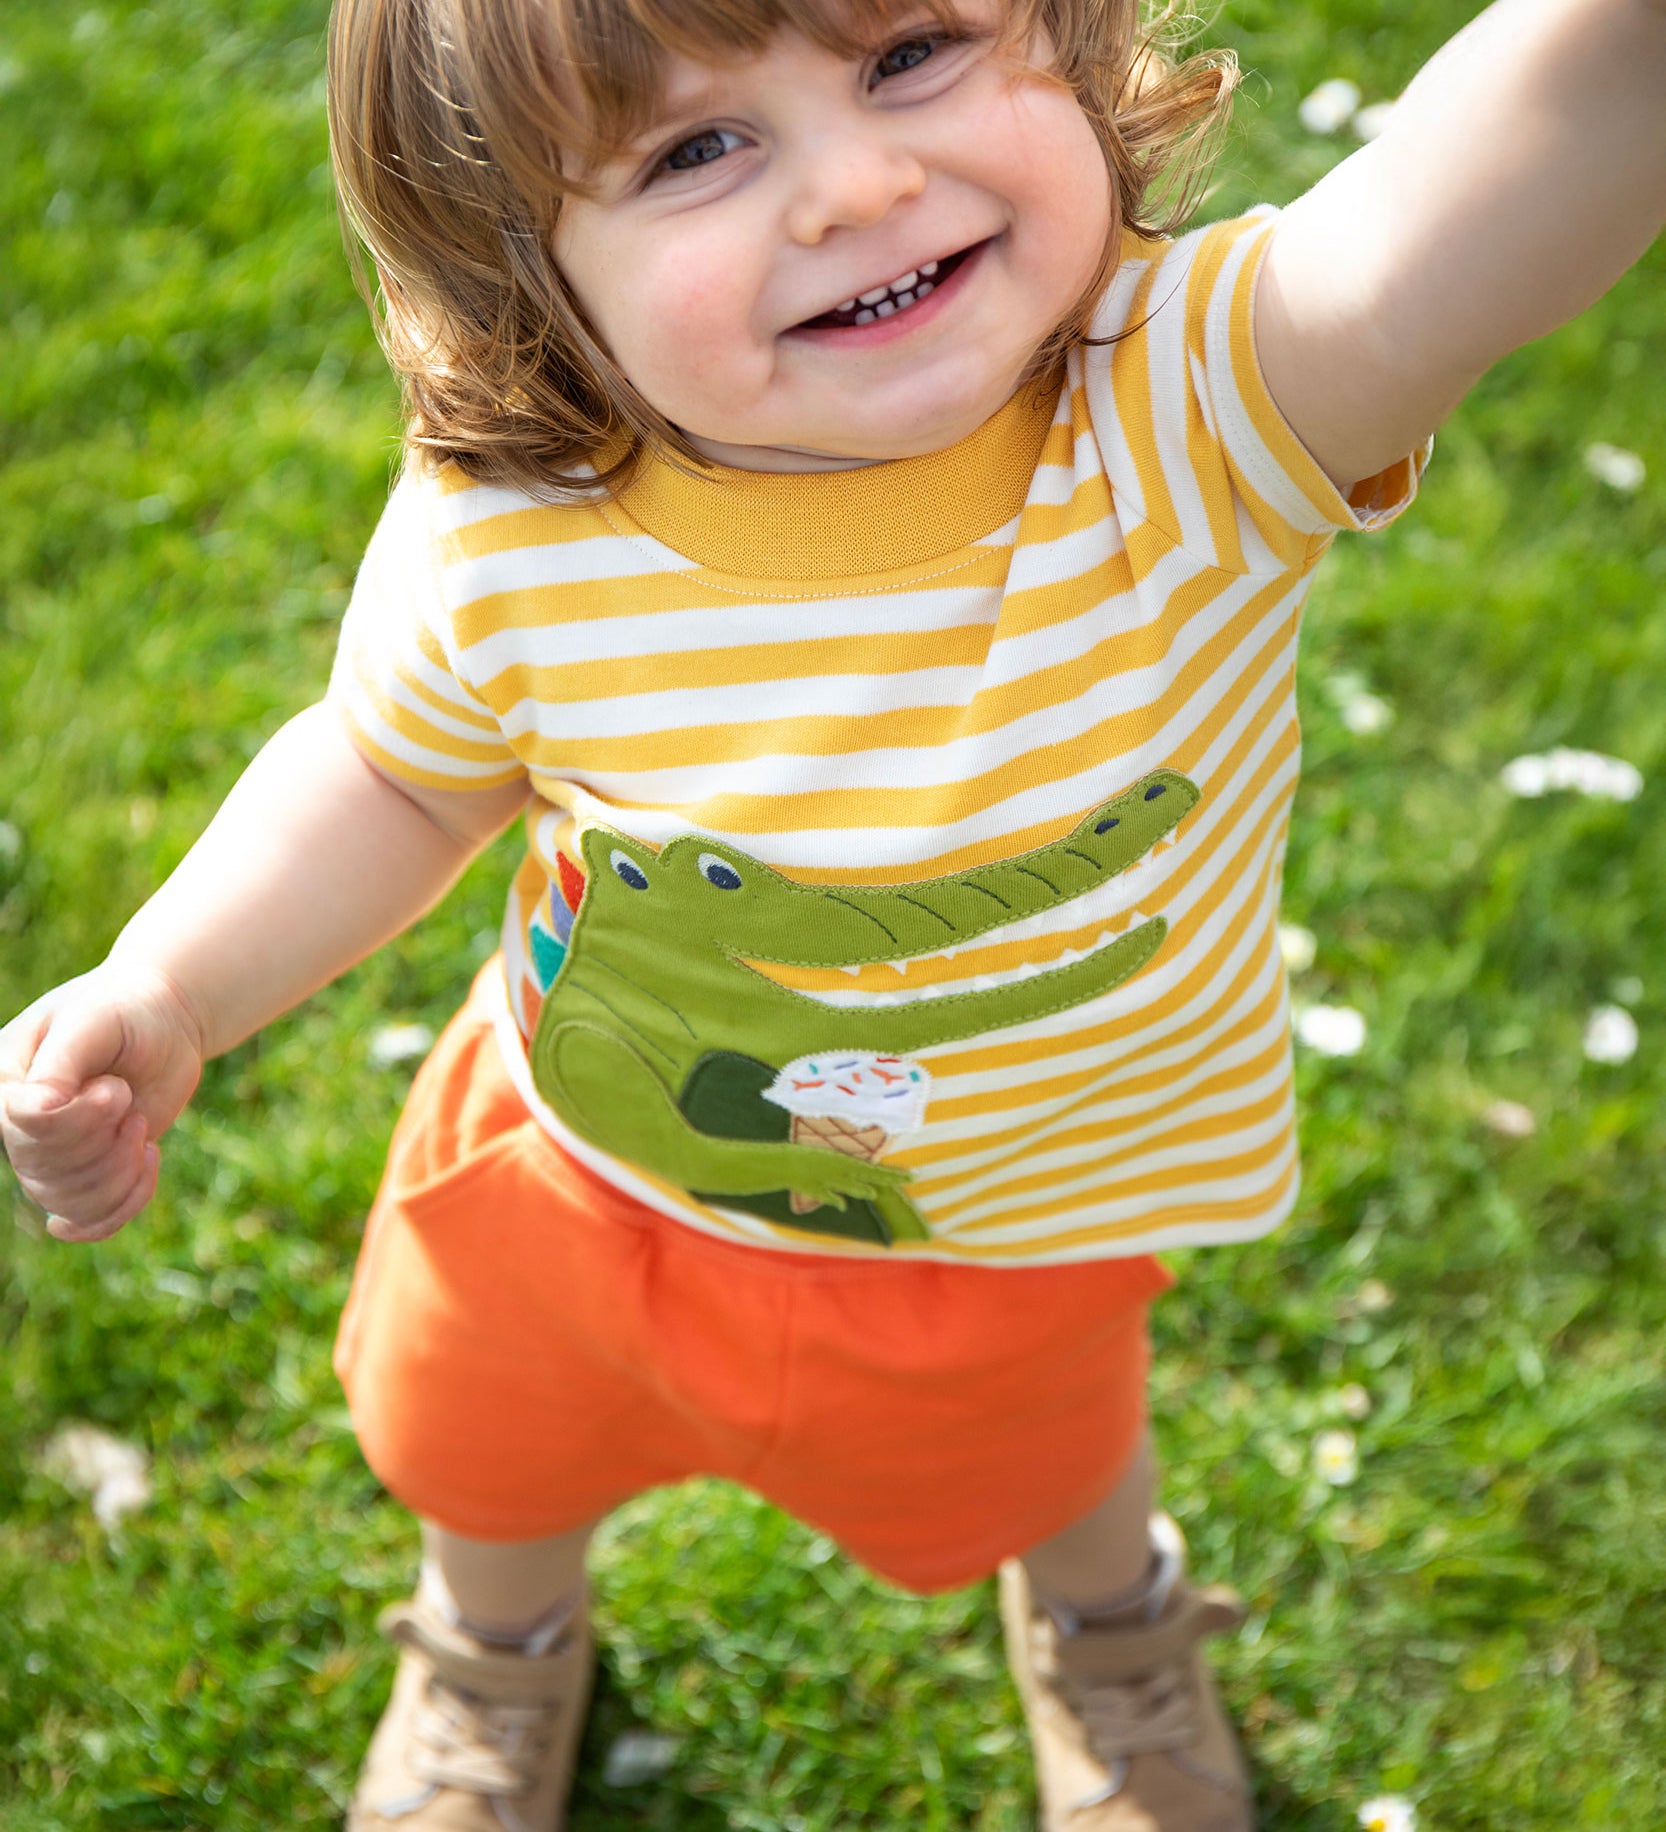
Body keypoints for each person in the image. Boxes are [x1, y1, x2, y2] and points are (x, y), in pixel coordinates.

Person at [2, 0, 1662, 1824]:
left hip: (1016, 1212)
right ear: (521, 269)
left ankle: (1109, 1636)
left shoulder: (1208, 402)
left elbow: (1520, 160)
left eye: (914, 52)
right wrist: (169, 983)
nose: (858, 184)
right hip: (586, 1179)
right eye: (697, 150)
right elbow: (401, 776)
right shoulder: (519, 524)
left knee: (1061, 1467)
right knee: (488, 1454)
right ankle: (493, 1654)